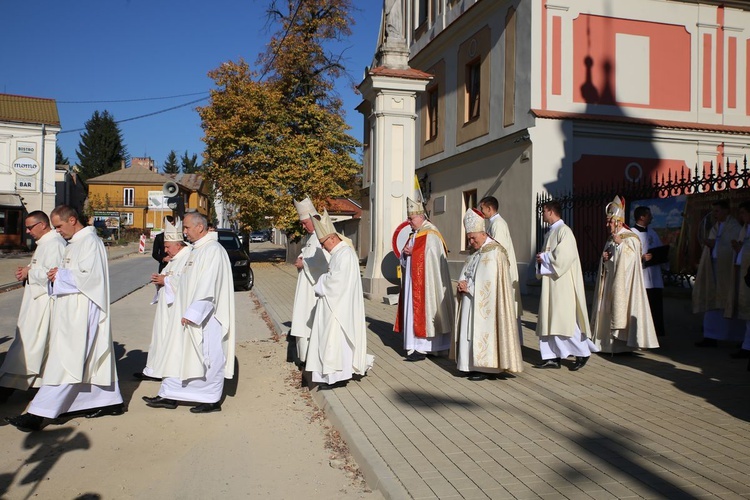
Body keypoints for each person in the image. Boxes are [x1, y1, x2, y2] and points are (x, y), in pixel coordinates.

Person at [6, 205, 123, 432]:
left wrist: (60, 275)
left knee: (65, 362)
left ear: (72, 220)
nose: (56, 231)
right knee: (81, 360)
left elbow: (92, 278)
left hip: (82, 310)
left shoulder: (90, 242)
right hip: (69, 309)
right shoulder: (75, 243)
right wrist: (55, 275)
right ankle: (109, 401)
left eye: (59, 226)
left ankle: (38, 413)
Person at [142, 211, 235, 413]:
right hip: (185, 313)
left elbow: (208, 285)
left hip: (206, 318)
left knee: (206, 356)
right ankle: (171, 394)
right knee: (178, 353)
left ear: (200, 227)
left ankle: (210, 398)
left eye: (186, 227)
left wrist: (194, 313)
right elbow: (184, 282)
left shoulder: (213, 251)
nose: (184, 232)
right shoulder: (195, 250)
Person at [0, 211, 66, 401]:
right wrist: (28, 271)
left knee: (29, 345)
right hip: (36, 302)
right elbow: (41, 268)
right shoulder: (45, 243)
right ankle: (33, 385)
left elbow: (54, 274)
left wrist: (31, 273)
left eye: (30, 227)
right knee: (31, 345)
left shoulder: (54, 244)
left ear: (43, 225)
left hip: (44, 304)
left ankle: (7, 386)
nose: (28, 231)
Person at [452, 209, 523, 380]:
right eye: (469, 238)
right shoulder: (475, 251)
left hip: (485, 305)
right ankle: (469, 364)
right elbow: (468, 272)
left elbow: (490, 287)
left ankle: (486, 367)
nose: (470, 241)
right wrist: (462, 283)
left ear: (483, 234)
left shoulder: (494, 252)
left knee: (483, 330)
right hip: (470, 299)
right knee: (469, 330)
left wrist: (471, 288)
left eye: (473, 238)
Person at [307, 210, 371, 389]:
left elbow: (337, 281)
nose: (322, 247)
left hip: (339, 308)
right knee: (330, 341)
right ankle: (330, 376)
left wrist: (321, 282)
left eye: (323, 243)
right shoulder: (339, 254)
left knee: (335, 341)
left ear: (333, 239)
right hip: (334, 305)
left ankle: (337, 378)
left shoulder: (345, 254)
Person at [590, 196, 660, 354]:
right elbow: (608, 259)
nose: (607, 225)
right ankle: (604, 344)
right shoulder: (611, 237)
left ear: (618, 222)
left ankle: (621, 346)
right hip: (609, 282)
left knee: (621, 310)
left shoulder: (630, 237)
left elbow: (633, 258)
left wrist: (621, 245)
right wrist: (605, 258)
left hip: (624, 285)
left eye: (610, 221)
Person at [534, 200, 598, 370]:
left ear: (550, 211)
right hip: (551, 284)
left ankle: (583, 352)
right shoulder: (550, 233)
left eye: (544, 211)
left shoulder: (564, 231)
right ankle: (551, 357)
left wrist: (545, 258)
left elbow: (564, 257)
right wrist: (541, 259)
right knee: (549, 320)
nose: (543, 215)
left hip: (562, 284)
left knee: (564, 320)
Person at [394, 197, 454, 362]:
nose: (409, 221)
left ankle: (424, 348)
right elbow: (407, 257)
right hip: (413, 282)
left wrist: (414, 253)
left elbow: (430, 257)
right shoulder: (416, 233)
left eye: (411, 218)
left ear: (421, 216)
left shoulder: (431, 233)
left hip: (427, 284)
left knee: (428, 310)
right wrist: (406, 254)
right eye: (409, 218)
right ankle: (422, 346)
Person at [135, 218, 191, 381]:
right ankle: (154, 369)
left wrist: (164, 280)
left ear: (178, 245)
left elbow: (185, 281)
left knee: (169, 340)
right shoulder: (175, 259)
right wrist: (161, 280)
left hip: (176, 309)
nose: (165, 250)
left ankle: (164, 370)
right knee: (159, 339)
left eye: (167, 247)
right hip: (166, 309)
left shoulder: (187, 258)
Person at [693, 200, 744, 347]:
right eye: (714, 211)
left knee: (727, 300)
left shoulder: (734, 227)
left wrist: (715, 245)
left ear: (726, 211)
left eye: (717, 211)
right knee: (711, 300)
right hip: (713, 267)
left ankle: (736, 337)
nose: (715, 214)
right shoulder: (715, 227)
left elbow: (733, 247)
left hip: (726, 270)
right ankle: (710, 335)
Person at [289, 197, 329, 367]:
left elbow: (324, 262)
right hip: (306, 286)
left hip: (314, 288)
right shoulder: (312, 237)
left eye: (305, 223)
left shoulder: (322, 236)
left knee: (310, 321)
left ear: (314, 219)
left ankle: (311, 358)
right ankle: (305, 357)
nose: (303, 227)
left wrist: (303, 262)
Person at [479, 195, 523, 343]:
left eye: (482, 209)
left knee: (506, 308)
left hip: (502, 271)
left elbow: (497, 249)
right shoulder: (494, 223)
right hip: (497, 270)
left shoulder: (498, 224)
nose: (481, 212)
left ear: (489, 208)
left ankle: (510, 343)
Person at [632, 206, 666, 337]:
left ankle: (655, 335)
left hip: (654, 276)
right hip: (642, 276)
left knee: (655, 307)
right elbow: (626, 256)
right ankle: (641, 335)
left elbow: (659, 249)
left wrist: (662, 255)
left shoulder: (653, 233)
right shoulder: (632, 233)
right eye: (649, 215)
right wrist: (640, 258)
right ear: (642, 217)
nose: (651, 217)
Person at [730, 201, 750, 359]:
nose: (741, 216)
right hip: (744, 273)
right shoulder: (745, 229)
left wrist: (740, 249)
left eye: (744, 213)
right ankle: (746, 341)